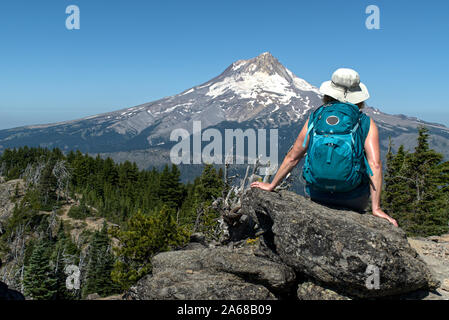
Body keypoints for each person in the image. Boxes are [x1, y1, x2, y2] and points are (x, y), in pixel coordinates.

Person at [251, 68, 398, 227]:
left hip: (317, 194)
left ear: (329, 93)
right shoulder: (364, 122)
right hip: (354, 199)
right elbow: (374, 164)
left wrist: (272, 185)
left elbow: (293, 156)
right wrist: (376, 208)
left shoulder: (316, 117)